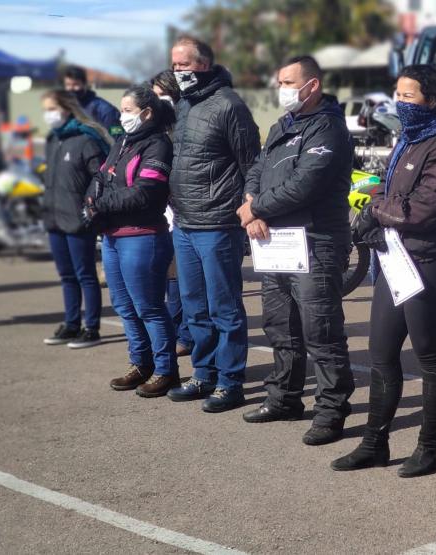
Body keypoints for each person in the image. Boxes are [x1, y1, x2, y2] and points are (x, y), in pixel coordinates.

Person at [331, 65, 436, 477]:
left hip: (429, 261)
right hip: (394, 258)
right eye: (397, 94)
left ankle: (429, 447)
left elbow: (423, 210)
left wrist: (373, 209)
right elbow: (393, 192)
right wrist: (377, 200)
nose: (399, 103)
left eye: (408, 96)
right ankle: (374, 442)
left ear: (432, 99)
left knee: (430, 356)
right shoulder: (410, 138)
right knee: (380, 354)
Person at [237, 56, 355, 446]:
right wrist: (252, 207)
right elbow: (257, 169)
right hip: (274, 240)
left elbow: (307, 183)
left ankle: (331, 410)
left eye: (288, 82)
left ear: (312, 85)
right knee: (280, 324)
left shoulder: (328, 128)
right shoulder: (280, 126)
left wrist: (257, 207)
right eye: (280, 82)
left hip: (315, 241)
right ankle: (284, 397)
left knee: (320, 330)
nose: (282, 89)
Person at [165, 36, 260, 413]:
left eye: (183, 65)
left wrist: (250, 205)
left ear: (203, 65)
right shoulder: (185, 106)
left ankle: (230, 381)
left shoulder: (230, 106)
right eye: (174, 66)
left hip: (218, 224)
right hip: (185, 224)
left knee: (224, 307)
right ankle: (202, 373)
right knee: (193, 307)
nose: (177, 73)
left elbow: (252, 163)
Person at [84, 84, 180, 397]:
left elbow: (145, 193)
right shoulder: (124, 141)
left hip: (143, 237)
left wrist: (100, 204)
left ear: (146, 112)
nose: (123, 115)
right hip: (113, 237)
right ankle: (141, 364)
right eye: (122, 109)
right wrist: (91, 200)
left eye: (128, 110)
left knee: (149, 307)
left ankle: (167, 371)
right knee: (124, 307)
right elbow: (101, 177)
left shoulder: (158, 144)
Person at [40, 90, 111, 349]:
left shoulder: (85, 139)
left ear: (66, 108)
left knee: (85, 275)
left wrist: (89, 206)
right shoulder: (53, 140)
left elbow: (101, 177)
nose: (48, 115)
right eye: (45, 110)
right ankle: (71, 324)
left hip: (78, 220)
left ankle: (91, 328)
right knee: (66, 275)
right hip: (54, 219)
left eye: (52, 108)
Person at [150, 70, 192, 358]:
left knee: (178, 283)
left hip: (184, 213)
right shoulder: (157, 130)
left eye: (162, 94)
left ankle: (185, 336)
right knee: (166, 279)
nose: (157, 100)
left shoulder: (185, 128)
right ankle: (177, 332)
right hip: (160, 215)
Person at [63, 65, 122, 136]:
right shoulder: (66, 108)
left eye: (76, 84)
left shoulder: (106, 110)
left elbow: (118, 133)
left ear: (85, 85)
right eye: (68, 85)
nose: (71, 88)